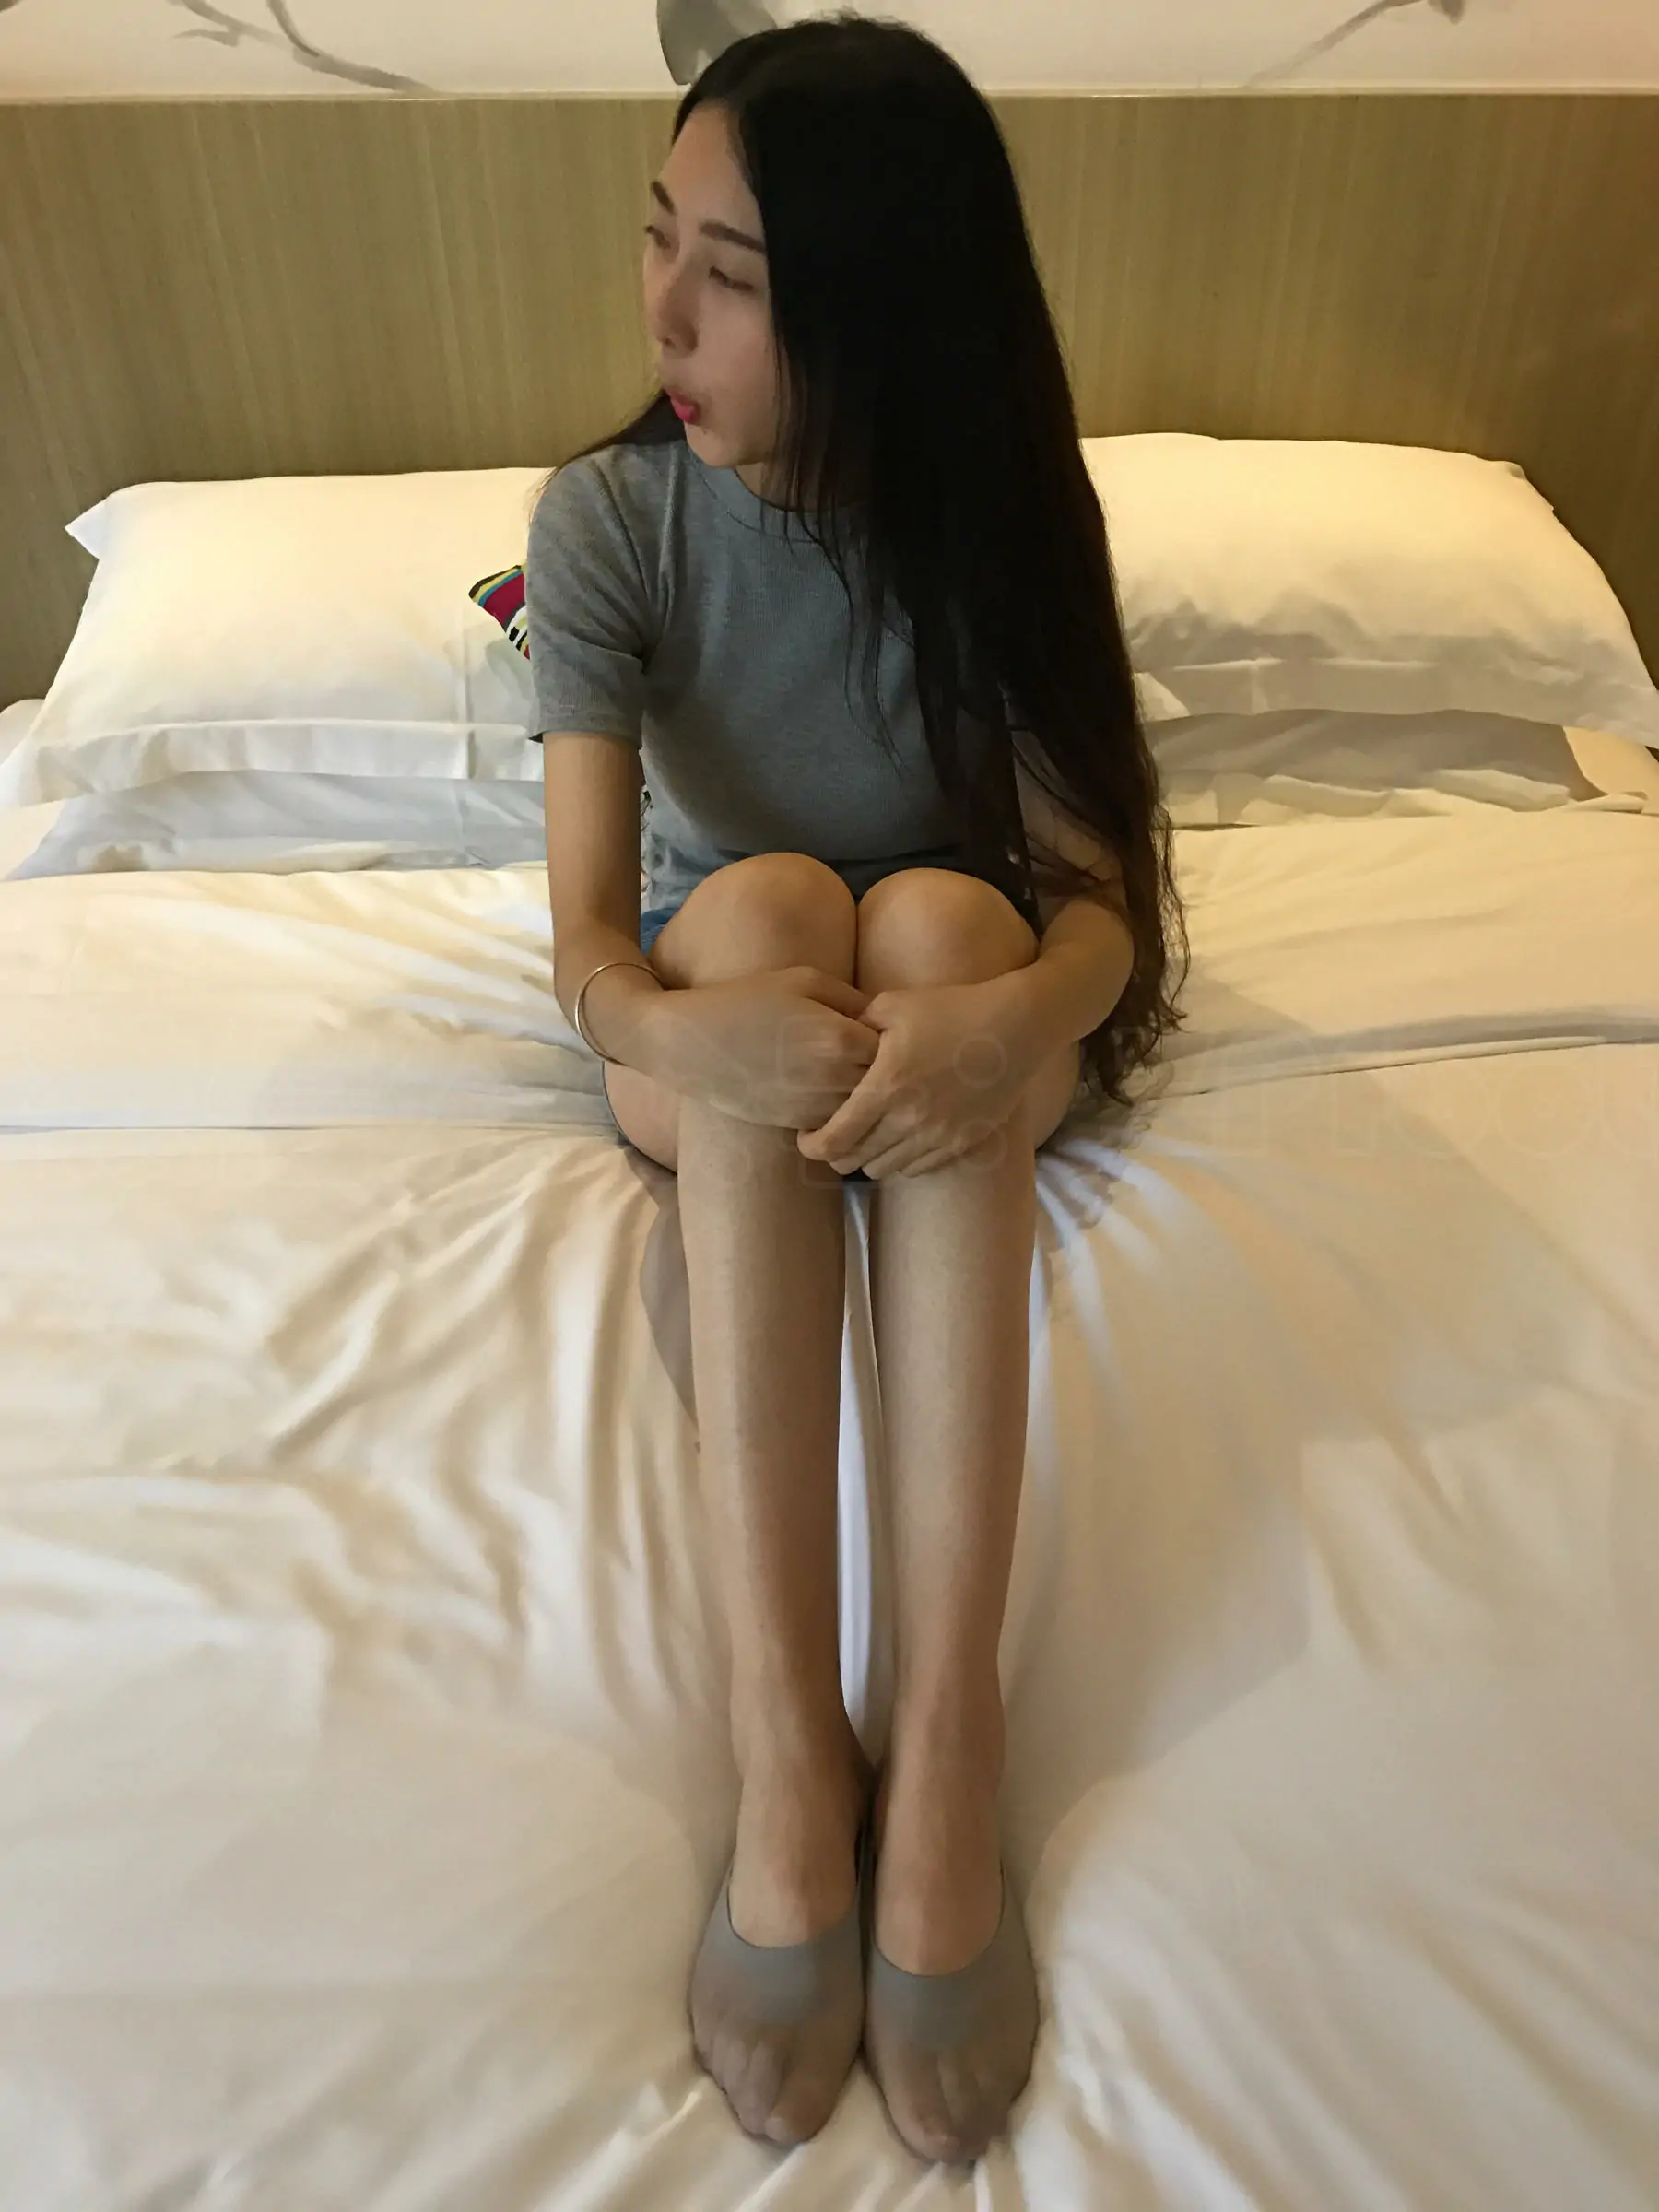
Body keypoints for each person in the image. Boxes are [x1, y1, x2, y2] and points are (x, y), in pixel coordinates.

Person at [527, 11, 1186, 2167]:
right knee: (768, 907)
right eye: (660, 237)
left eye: (730, 277)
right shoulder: (610, 524)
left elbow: (1099, 909)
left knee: (933, 921)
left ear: (879, 311)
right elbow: (594, 952)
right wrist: (683, 1030)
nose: (663, 314)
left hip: (954, 1017)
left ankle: (950, 1744)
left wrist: (1016, 1019)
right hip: (710, 1029)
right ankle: (791, 1758)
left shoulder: (998, 521)